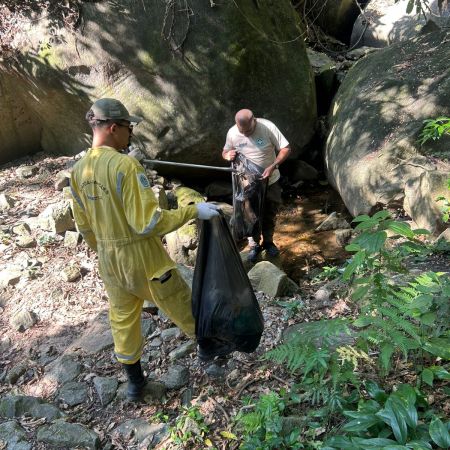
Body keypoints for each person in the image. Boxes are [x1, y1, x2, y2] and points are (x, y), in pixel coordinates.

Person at [70, 98, 220, 401]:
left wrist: (104, 250)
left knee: (122, 318)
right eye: (129, 128)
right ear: (114, 128)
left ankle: (135, 384)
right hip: (141, 255)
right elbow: (148, 222)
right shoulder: (125, 165)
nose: (131, 134)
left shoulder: (77, 171)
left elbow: (83, 225)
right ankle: (209, 354)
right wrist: (193, 211)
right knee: (178, 299)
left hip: (109, 259)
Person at [222, 109, 290, 263]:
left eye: (248, 131)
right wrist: (227, 155)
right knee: (251, 215)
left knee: (270, 212)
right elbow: (225, 151)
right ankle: (254, 245)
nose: (245, 134)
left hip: (270, 180)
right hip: (247, 184)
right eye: (242, 131)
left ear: (254, 120)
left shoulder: (267, 127)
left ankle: (268, 242)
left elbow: (286, 148)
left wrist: (273, 165)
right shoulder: (232, 133)